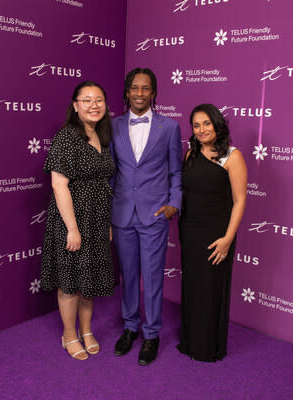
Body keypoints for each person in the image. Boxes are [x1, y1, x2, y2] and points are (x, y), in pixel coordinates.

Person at [111, 67, 182, 365]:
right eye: (134, 88)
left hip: (154, 214)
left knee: (152, 278)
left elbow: (176, 171)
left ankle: (151, 334)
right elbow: (112, 170)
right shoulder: (112, 126)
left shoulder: (170, 127)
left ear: (154, 93)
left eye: (146, 88)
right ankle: (130, 328)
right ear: (127, 92)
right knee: (128, 277)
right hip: (122, 213)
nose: (140, 93)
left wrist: (173, 204)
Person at [41, 81, 115, 360]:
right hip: (71, 219)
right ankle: (69, 334)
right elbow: (59, 185)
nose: (93, 105)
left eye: (99, 100)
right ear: (75, 105)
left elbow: (102, 184)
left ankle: (86, 330)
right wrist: (72, 228)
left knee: (90, 279)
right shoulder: (66, 137)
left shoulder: (101, 136)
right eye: (86, 100)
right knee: (70, 280)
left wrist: (106, 222)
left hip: (97, 219)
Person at [177, 104, 247, 362]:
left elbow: (239, 201)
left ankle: (208, 347)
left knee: (211, 288)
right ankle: (190, 342)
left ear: (218, 124)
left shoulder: (232, 156)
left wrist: (228, 239)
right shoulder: (189, 154)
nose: (202, 129)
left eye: (207, 123)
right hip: (190, 230)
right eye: (196, 125)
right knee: (193, 286)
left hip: (217, 233)